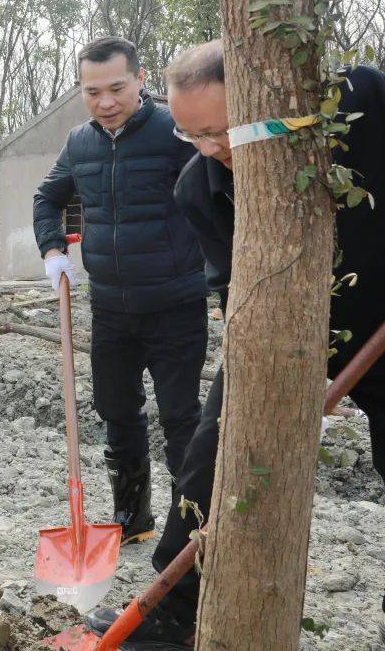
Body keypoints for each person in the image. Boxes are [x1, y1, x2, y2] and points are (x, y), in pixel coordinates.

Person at [85, 39, 385, 648]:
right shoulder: (201, 189)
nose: (209, 149)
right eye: (191, 135)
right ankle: (174, 612)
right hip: (288, 335)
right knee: (208, 457)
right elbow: (239, 302)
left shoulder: (361, 103)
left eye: (221, 130)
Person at [33, 36, 208, 545]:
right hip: (111, 308)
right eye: (92, 92)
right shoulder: (79, 142)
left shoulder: (175, 131)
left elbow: (217, 191)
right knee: (116, 410)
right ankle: (132, 517)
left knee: (181, 417)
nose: (105, 102)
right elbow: (48, 197)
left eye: (116, 88)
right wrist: (52, 251)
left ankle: (191, 525)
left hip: (175, 302)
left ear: (140, 79)